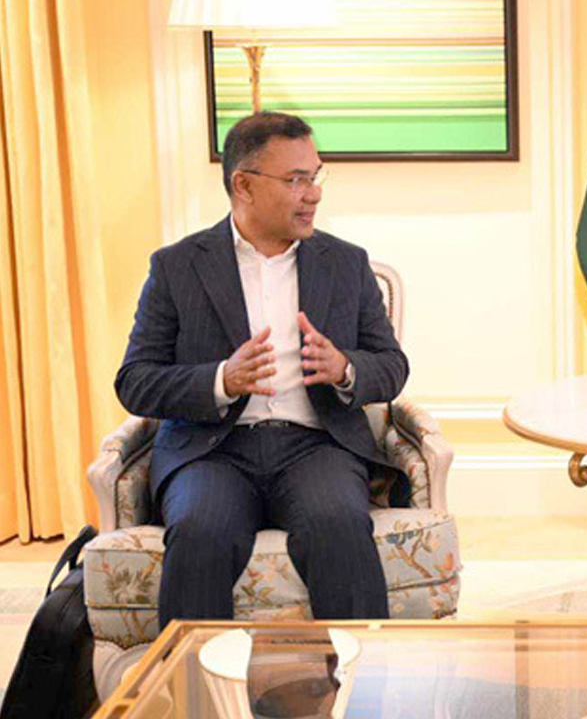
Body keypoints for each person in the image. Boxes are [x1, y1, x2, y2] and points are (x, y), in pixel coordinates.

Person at [116, 112, 409, 626]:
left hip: (316, 446)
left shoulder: (346, 264)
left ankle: (360, 673)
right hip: (212, 451)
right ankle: (195, 677)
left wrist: (345, 368)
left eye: (315, 176)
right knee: (201, 532)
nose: (313, 194)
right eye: (295, 180)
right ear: (244, 186)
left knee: (339, 525)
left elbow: (391, 366)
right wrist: (220, 380)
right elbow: (135, 380)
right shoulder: (177, 267)